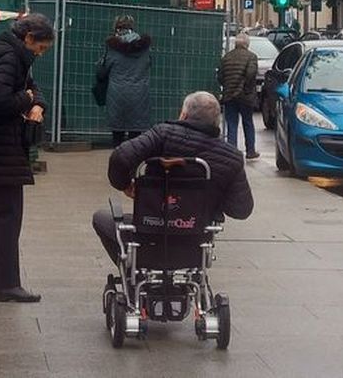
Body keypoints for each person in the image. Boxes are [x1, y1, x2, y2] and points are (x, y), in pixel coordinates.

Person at [91, 91, 253, 262]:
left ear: (183, 114)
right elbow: (242, 210)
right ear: (217, 122)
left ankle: (131, 267)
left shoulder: (162, 134)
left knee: (101, 218)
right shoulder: (231, 157)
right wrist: (215, 195)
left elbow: (121, 157)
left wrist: (124, 185)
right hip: (195, 241)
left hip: (147, 232)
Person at [0, 14, 54, 303]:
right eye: (40, 47)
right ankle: (7, 284)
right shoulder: (9, 57)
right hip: (1, 146)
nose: (39, 54)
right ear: (28, 37)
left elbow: (31, 86)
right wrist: (29, 100)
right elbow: (1, 100)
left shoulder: (7, 52)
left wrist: (37, 103)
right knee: (8, 214)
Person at [97, 15, 152, 147]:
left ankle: (118, 161)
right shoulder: (144, 47)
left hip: (117, 93)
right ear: (132, 27)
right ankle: (133, 165)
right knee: (136, 137)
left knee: (118, 136)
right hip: (139, 93)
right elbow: (149, 64)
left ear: (116, 27)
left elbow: (102, 71)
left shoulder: (112, 46)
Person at [218, 34, 260, 158]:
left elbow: (220, 76)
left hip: (229, 95)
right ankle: (250, 151)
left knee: (232, 124)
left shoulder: (226, 57)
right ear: (247, 44)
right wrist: (247, 88)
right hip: (245, 96)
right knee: (248, 122)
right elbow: (251, 73)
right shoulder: (251, 57)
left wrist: (227, 86)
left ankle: (232, 153)